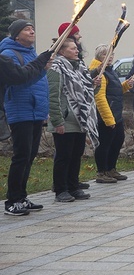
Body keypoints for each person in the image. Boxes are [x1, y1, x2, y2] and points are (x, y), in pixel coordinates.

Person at [1, 20, 51, 216]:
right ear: (16, 35)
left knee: (29, 156)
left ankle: (22, 197)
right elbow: (20, 81)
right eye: (26, 29)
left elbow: (35, 79)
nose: (32, 31)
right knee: (21, 156)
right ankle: (12, 200)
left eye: (32, 28)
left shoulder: (32, 54)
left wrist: (43, 69)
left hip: (35, 111)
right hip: (20, 110)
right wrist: (42, 69)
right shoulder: (8, 55)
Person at [47, 38, 98, 202]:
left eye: (76, 48)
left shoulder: (80, 68)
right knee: (64, 156)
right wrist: (57, 120)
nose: (77, 51)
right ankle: (61, 190)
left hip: (80, 118)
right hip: (65, 118)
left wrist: (93, 84)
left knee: (76, 155)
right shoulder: (56, 68)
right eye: (72, 48)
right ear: (62, 51)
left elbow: (84, 94)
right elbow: (53, 95)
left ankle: (73, 187)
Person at [89, 44, 131, 184]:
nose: (110, 58)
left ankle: (111, 168)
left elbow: (115, 91)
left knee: (118, 140)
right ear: (99, 57)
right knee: (104, 144)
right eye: (105, 55)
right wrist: (108, 119)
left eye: (111, 55)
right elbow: (99, 97)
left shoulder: (110, 70)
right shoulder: (99, 72)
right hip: (105, 115)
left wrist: (125, 85)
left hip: (115, 113)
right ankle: (102, 171)